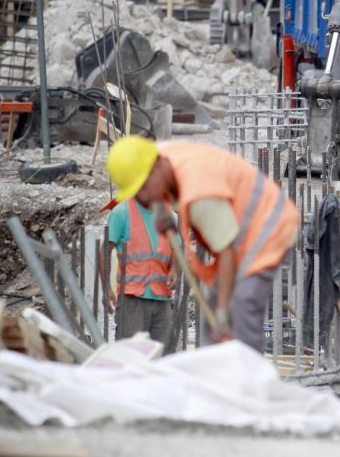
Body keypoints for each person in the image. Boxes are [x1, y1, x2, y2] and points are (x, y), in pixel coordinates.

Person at [105, 135, 299, 352]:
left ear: (156, 167)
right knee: (215, 317)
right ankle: (217, 371)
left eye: (144, 186)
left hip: (268, 227)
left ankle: (246, 376)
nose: (143, 195)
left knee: (239, 311)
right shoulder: (158, 156)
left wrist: (224, 311)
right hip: (236, 224)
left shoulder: (199, 190)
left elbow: (227, 252)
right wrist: (161, 205)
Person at [103, 197, 177, 346]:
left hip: (162, 298)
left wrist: (174, 269)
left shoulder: (168, 214)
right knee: (131, 354)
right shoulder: (122, 212)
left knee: (162, 358)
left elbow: (177, 247)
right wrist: (106, 288)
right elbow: (105, 251)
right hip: (132, 299)